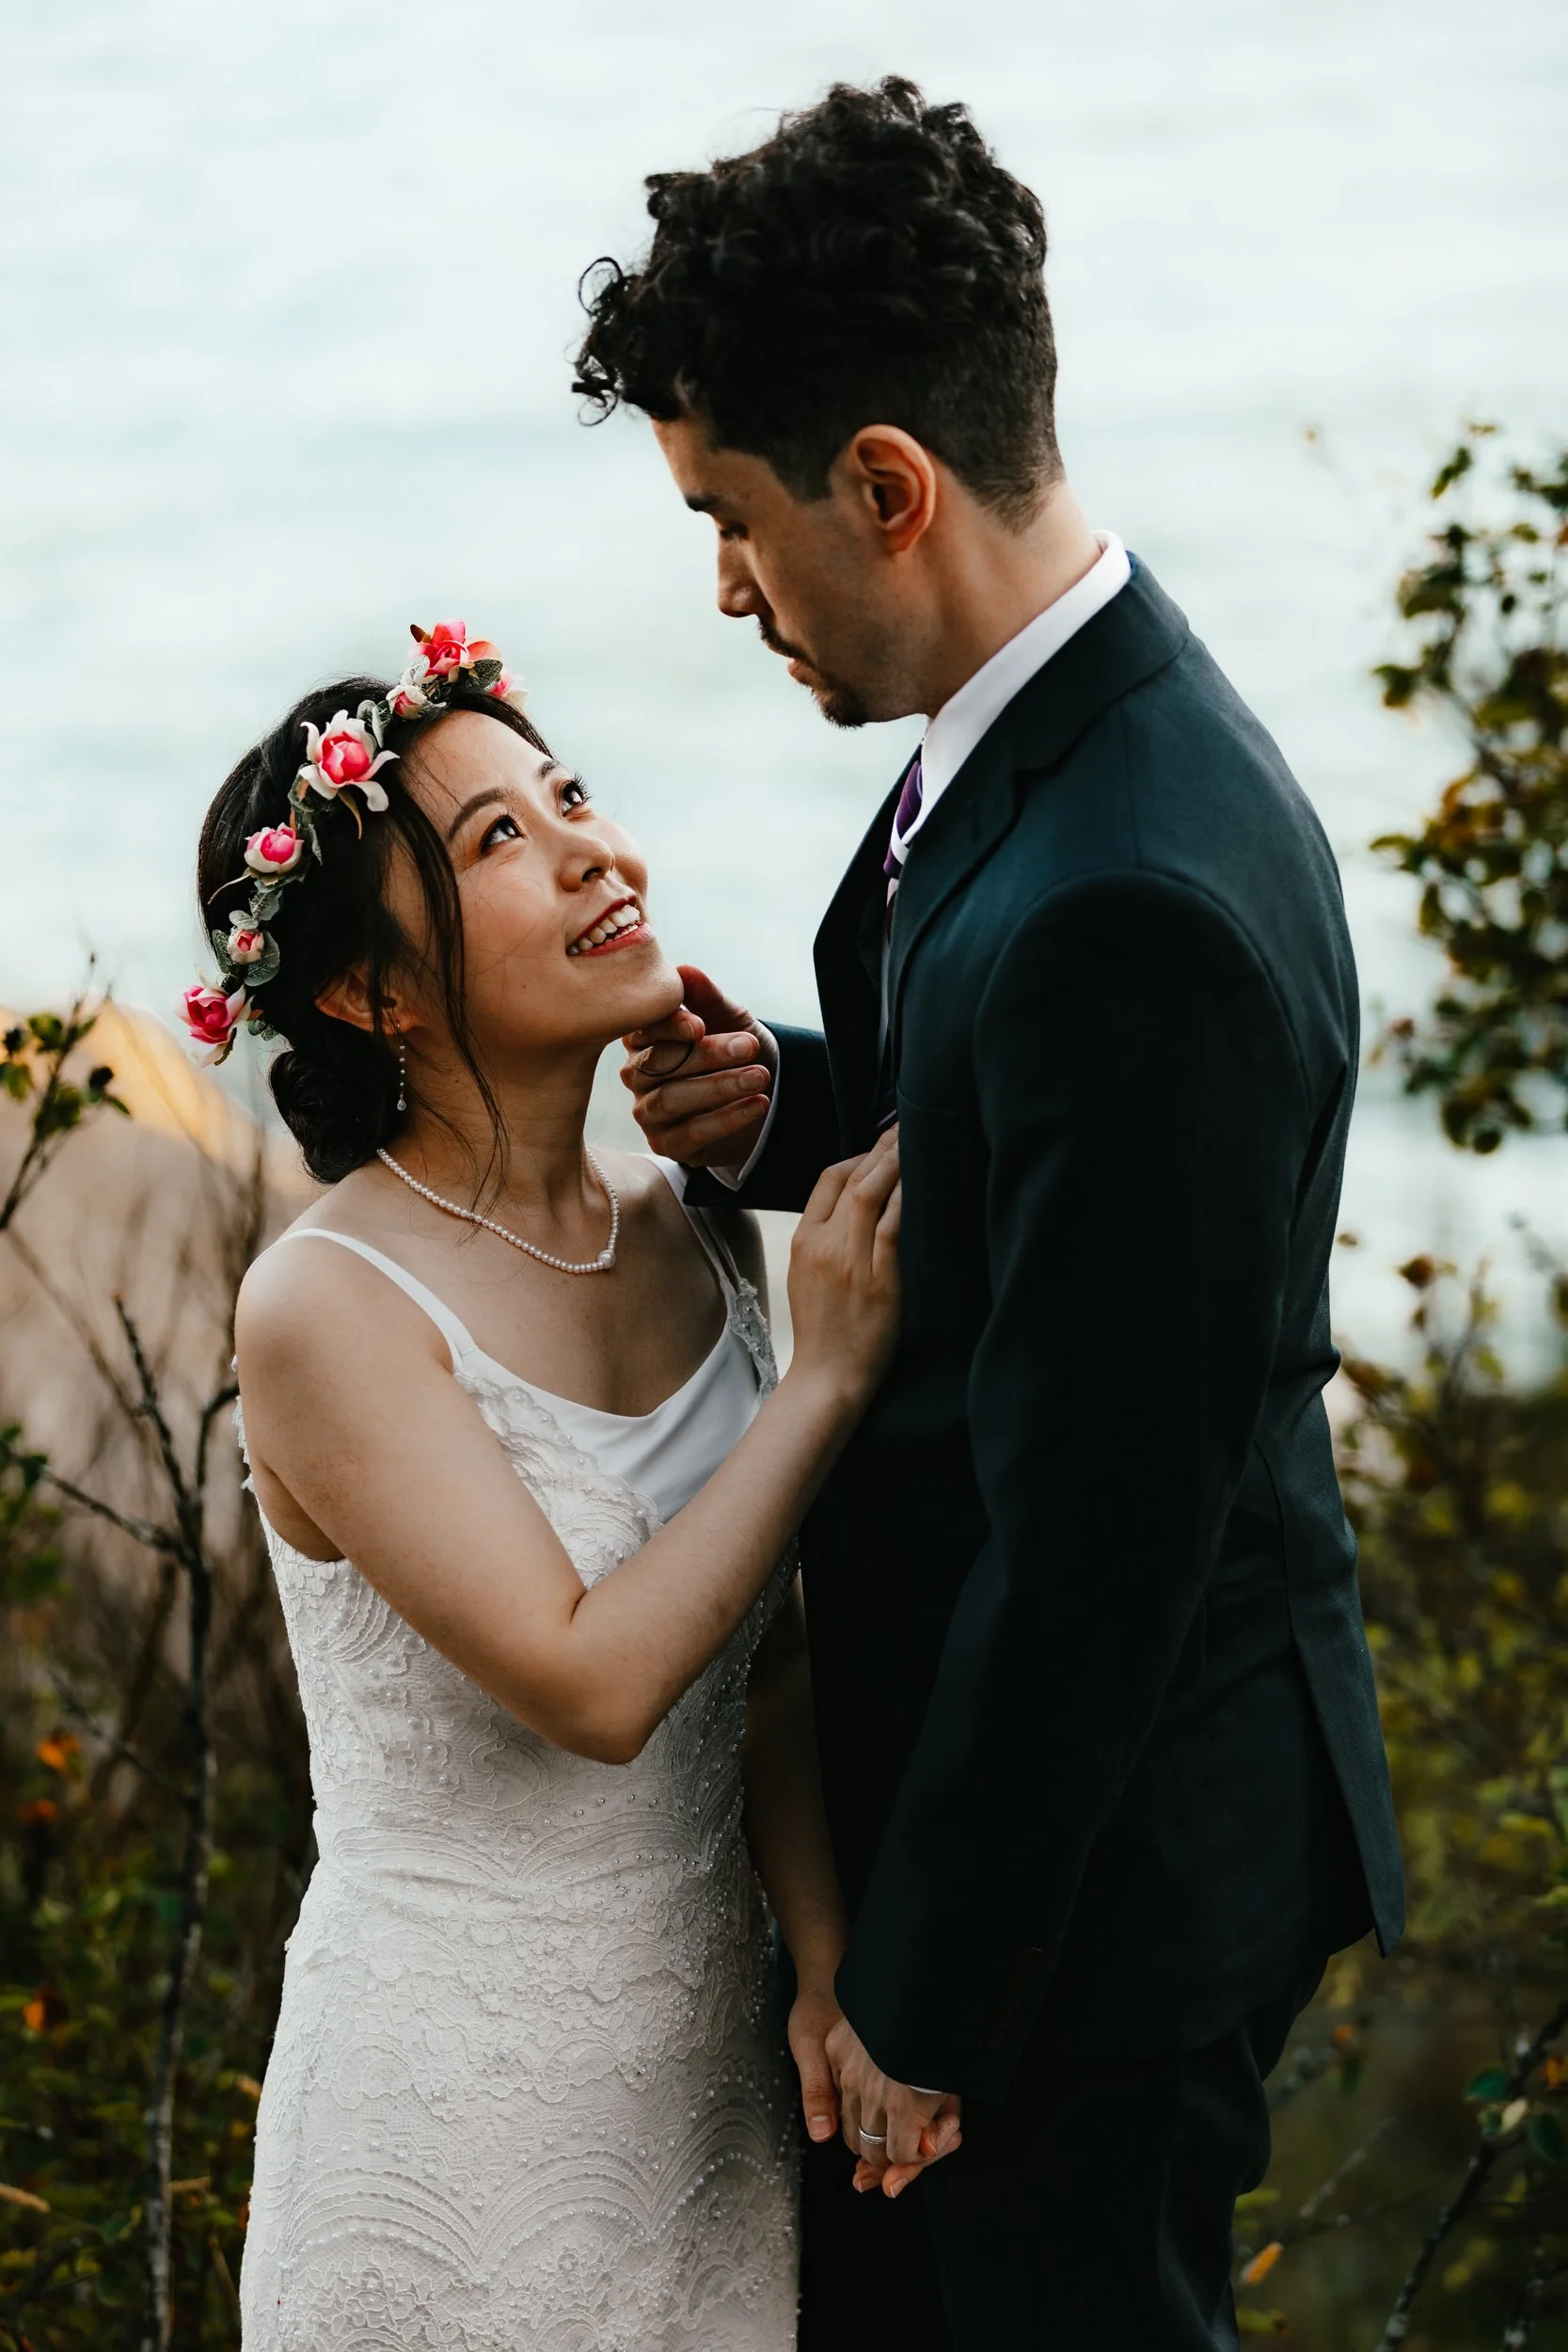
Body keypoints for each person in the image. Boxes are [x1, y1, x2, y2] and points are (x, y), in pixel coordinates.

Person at [578, 77, 1406, 2350]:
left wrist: (922, 1993)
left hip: (1093, 1888)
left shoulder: (1128, 897)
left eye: (731, 520)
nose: (722, 588)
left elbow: (1094, 1547)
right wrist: (793, 1109)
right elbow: (1051, 1157)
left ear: (884, 485)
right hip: (1050, 1807)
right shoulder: (1054, 717)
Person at [190, 626, 902, 2350]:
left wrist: (822, 1961)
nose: (591, 848)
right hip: (445, 2112)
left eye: (568, 792)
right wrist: (827, 1380)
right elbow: (591, 1683)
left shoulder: (690, 1225)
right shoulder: (328, 1303)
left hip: (709, 2103)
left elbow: (768, 1663)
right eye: (501, 837)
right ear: (370, 993)